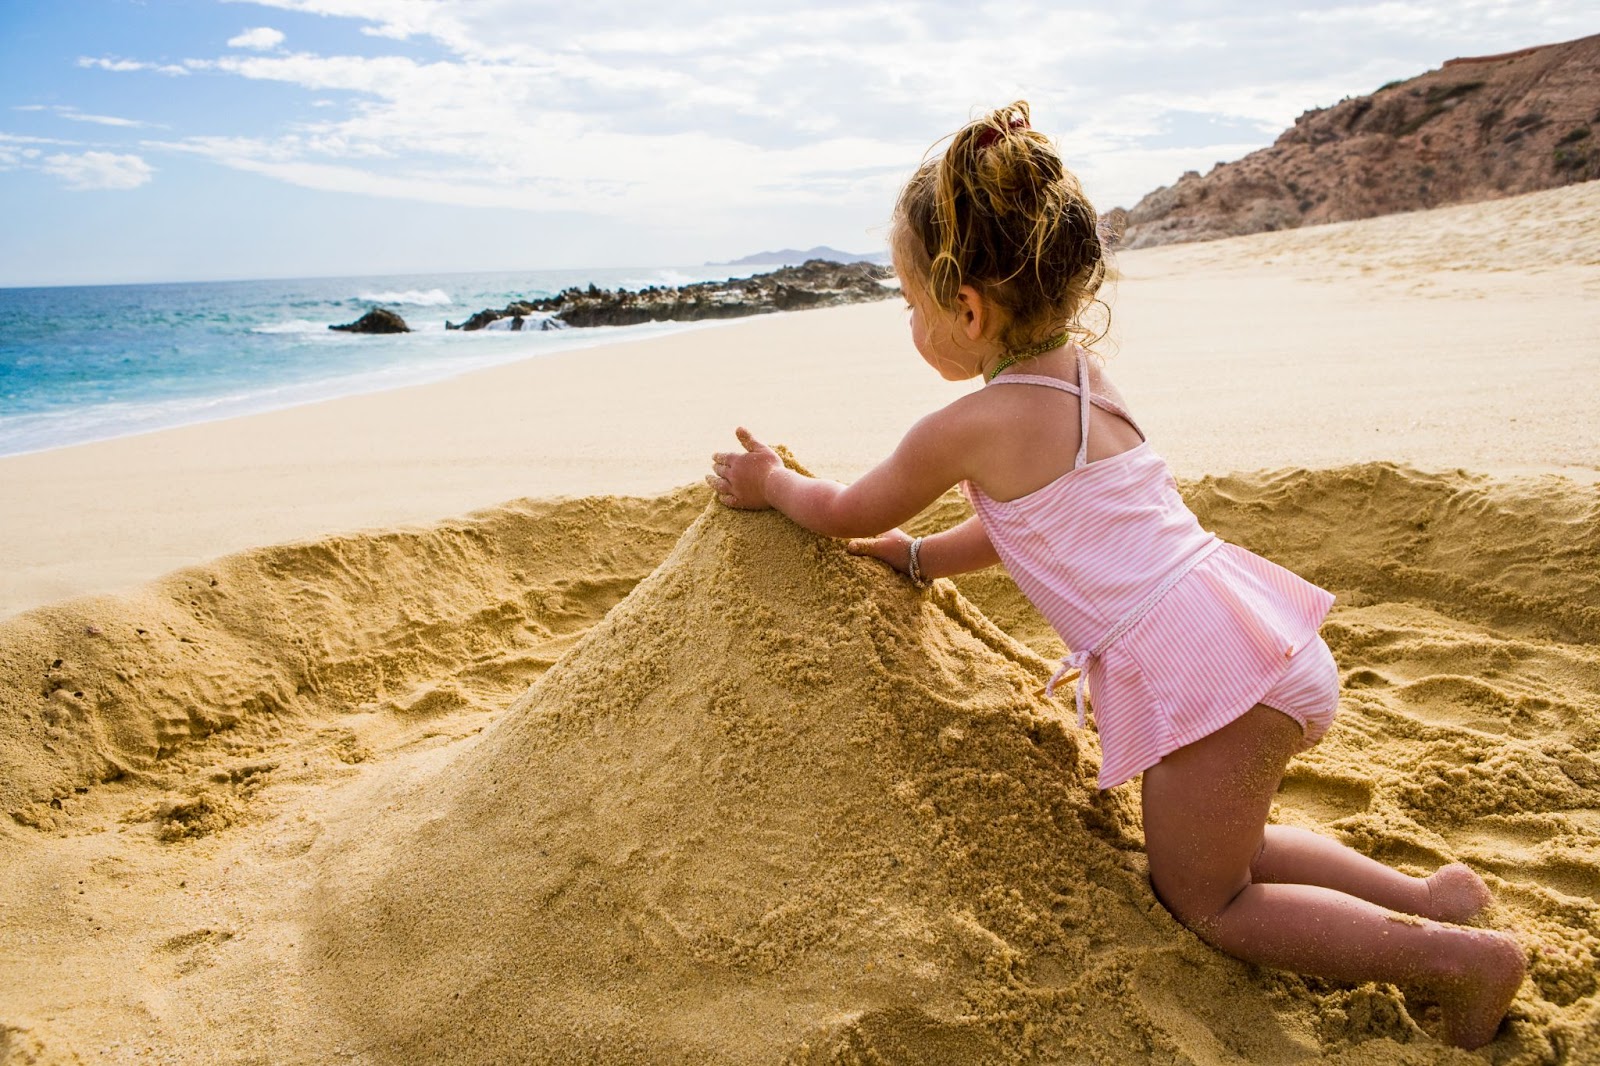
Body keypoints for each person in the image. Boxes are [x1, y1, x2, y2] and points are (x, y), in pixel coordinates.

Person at [706, 101, 1526, 1050]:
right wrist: (927, 557)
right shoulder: (1086, 381)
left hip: (1201, 669)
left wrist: (774, 482)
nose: (910, 321)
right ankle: (1433, 896)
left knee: (1207, 899)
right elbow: (1033, 528)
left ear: (966, 309)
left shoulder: (964, 429)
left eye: (908, 301)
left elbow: (848, 511)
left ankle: (1456, 958)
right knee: (1240, 847)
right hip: (1248, 626)